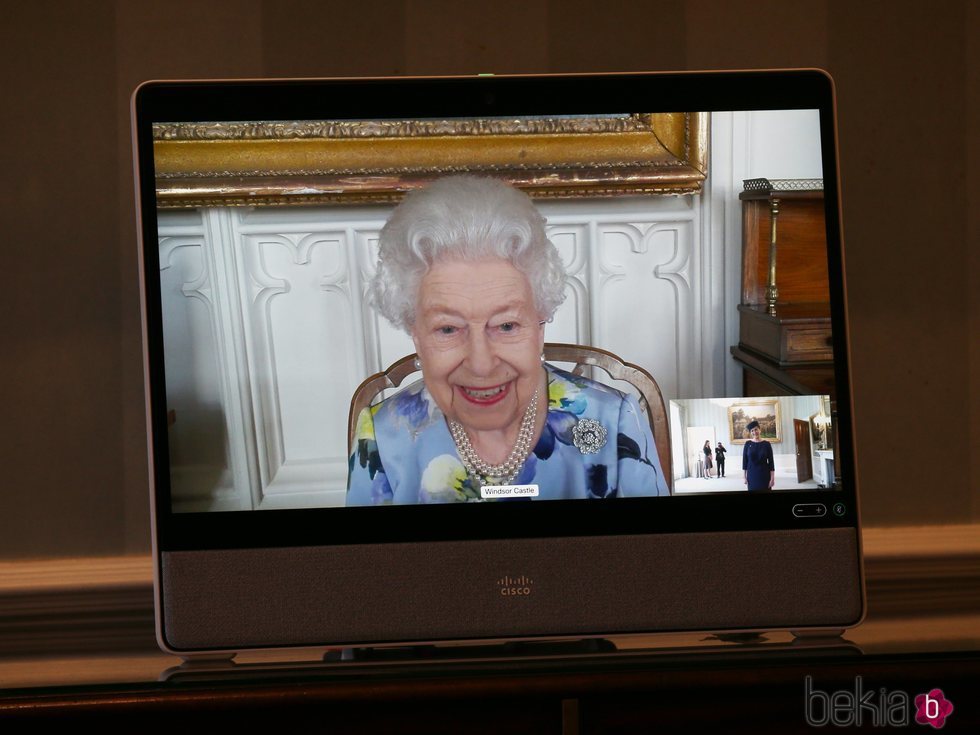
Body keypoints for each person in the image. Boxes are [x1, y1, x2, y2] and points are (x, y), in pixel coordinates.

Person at [347, 176, 670, 504]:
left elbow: (655, 554)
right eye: (448, 329)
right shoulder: (383, 439)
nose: (481, 365)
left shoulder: (613, 422)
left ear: (539, 325)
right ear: (415, 333)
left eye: (506, 326)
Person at [742, 420, 774, 491]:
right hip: (752, 475)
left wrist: (772, 479)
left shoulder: (767, 444)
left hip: (764, 475)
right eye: (752, 431)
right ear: (750, 432)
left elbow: (771, 463)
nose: (754, 432)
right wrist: (744, 477)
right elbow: (745, 462)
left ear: (760, 430)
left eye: (756, 429)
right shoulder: (747, 444)